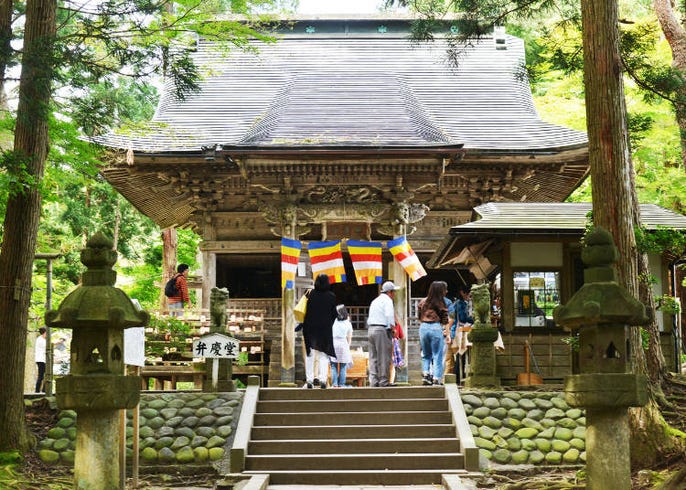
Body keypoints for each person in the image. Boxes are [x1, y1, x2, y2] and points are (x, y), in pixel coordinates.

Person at [302, 273, 337, 389]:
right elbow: (334, 314)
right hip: (325, 329)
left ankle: (310, 380)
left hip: (310, 328)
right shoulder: (331, 296)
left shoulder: (311, 295)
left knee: (310, 354)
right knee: (323, 354)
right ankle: (323, 379)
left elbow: (305, 310)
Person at [367, 280, 399, 387]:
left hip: (371, 329)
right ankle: (384, 381)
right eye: (393, 292)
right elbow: (389, 316)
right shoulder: (388, 301)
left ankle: (373, 381)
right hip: (381, 329)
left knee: (373, 356)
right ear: (389, 292)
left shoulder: (375, 300)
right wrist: (393, 329)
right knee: (384, 356)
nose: (394, 294)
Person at [418, 281, 450, 385]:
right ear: (441, 291)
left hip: (423, 327)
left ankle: (426, 375)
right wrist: (447, 333)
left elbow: (419, 316)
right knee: (437, 354)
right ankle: (437, 378)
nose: (446, 292)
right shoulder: (441, 303)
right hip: (436, 327)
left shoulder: (423, 302)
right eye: (445, 289)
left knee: (426, 354)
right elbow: (445, 320)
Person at [450, 285, 474, 383]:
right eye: (468, 293)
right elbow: (463, 318)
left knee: (458, 355)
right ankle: (459, 377)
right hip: (459, 331)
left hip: (455, 330)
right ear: (462, 293)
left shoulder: (456, 303)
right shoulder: (461, 304)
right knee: (461, 354)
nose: (469, 296)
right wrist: (473, 319)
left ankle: (459, 377)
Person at [330, 304, 353, 388]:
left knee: (333, 365)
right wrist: (348, 346)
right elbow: (349, 337)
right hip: (343, 343)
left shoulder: (333, 321)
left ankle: (334, 384)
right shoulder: (347, 323)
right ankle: (342, 384)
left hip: (334, 343)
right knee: (343, 366)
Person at [35, 327, 47, 393]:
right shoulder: (40, 340)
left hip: (43, 360)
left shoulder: (43, 340)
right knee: (41, 376)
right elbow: (46, 348)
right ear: (44, 332)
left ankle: (44, 390)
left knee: (46, 375)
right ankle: (37, 391)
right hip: (41, 360)